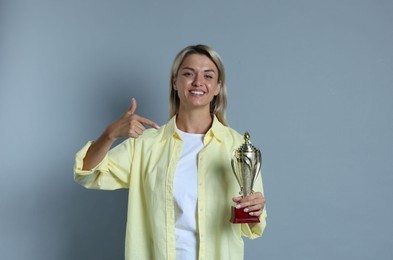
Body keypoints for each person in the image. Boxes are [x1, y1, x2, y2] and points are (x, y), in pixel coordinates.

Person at [74, 44, 267, 260]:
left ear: (217, 87)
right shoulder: (145, 144)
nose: (198, 82)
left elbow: (253, 225)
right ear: (175, 82)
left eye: (208, 76)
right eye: (188, 73)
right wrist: (109, 135)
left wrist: (255, 209)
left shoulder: (238, 146)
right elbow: (88, 174)